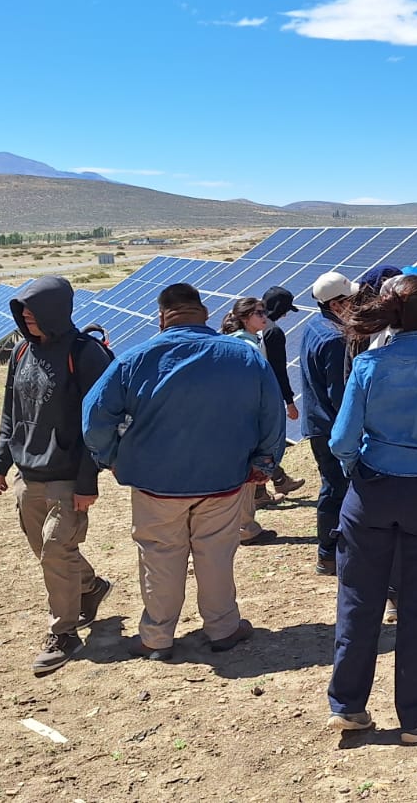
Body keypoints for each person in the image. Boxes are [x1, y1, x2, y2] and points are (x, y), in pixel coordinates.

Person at [83, 282, 285, 661]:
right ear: (205, 314)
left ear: (161, 317)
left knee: (160, 557)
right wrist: (264, 463)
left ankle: (156, 637)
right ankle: (223, 628)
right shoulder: (244, 356)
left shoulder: (134, 359)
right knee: (216, 555)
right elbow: (271, 413)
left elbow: (94, 419)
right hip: (223, 482)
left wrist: (111, 457)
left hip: (155, 485)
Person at [325, 274, 417, 744]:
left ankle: (348, 706)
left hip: (371, 493)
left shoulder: (369, 364)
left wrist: (361, 472)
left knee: (358, 600)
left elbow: (342, 439)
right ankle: (415, 715)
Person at [0, 276, 114, 675]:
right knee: (48, 552)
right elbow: (12, 411)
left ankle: (64, 633)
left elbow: (101, 422)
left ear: (57, 310)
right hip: (28, 474)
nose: (26, 316)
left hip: (67, 476)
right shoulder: (21, 351)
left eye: (34, 309)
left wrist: (87, 480)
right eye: (22, 310)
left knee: (57, 550)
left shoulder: (86, 353)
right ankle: (90, 587)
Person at [302, 271, 359, 576]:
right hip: (331, 426)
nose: (355, 304)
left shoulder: (314, 326)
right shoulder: (336, 339)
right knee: (337, 489)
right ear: (336, 304)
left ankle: (330, 550)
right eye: (350, 300)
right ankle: (328, 553)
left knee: (333, 487)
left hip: (318, 422)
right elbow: (340, 393)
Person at [221, 296, 280, 546]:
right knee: (245, 476)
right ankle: (245, 528)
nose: (264, 315)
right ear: (245, 318)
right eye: (258, 312)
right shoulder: (247, 347)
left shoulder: (231, 343)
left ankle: (241, 525)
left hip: (230, 419)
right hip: (244, 420)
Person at [259, 286, 308, 498]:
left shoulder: (248, 324)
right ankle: (261, 490)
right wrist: (290, 401)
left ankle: (275, 482)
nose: (286, 314)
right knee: (268, 444)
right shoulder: (273, 332)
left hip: (245, 392)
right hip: (265, 396)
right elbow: (279, 370)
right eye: (285, 309)